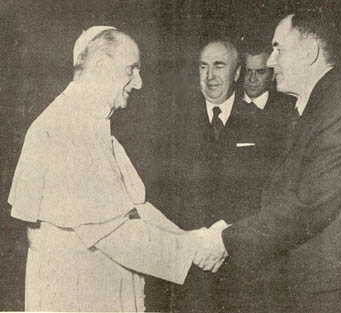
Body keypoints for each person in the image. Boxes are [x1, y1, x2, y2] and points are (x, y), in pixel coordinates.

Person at [194, 12, 341, 313]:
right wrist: (233, 226)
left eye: (279, 49)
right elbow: (285, 191)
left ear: (310, 52)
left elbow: (308, 204)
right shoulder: (318, 103)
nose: (271, 61)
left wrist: (225, 239)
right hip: (313, 285)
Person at [8, 26, 198, 312]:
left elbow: (136, 207)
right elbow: (114, 235)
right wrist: (195, 251)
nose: (139, 83)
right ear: (100, 66)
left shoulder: (95, 127)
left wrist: (191, 238)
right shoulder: (64, 128)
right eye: (131, 70)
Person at [170, 40, 269, 312]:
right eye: (203, 66)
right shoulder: (174, 122)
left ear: (236, 73)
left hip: (238, 262)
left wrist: (226, 231)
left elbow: (264, 190)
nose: (209, 76)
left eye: (219, 66)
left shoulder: (260, 123)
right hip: (187, 265)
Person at [242, 43, 297, 168]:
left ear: (272, 75)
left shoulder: (290, 108)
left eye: (260, 72)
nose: (252, 79)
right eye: (248, 71)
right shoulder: (227, 106)